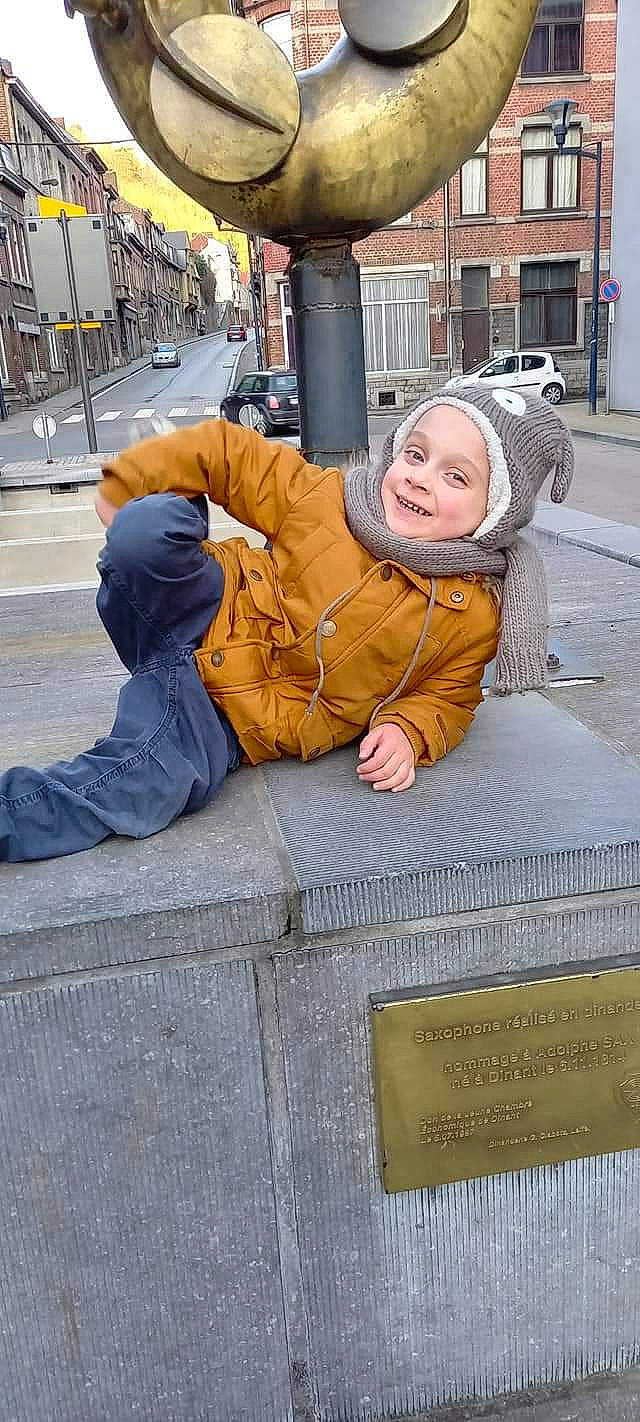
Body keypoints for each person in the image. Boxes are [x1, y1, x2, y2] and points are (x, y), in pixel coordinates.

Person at [0, 384, 574, 863]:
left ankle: (13, 816)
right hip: (200, 606)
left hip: (224, 715)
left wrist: (407, 730)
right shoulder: (329, 500)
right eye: (416, 455)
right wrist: (136, 480)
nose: (421, 479)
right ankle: (156, 517)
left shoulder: (470, 615)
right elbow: (233, 454)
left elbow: (447, 697)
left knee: (139, 783)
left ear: (495, 512)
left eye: (457, 477)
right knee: (149, 531)